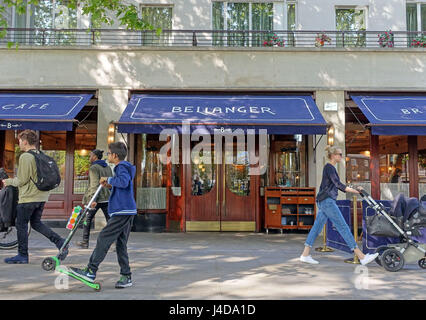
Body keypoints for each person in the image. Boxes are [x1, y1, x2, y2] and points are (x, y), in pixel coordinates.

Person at [69, 142, 136, 288]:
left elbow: (124, 182)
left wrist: (109, 179)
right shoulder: (124, 166)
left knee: (103, 237)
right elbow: (124, 185)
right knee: (120, 243)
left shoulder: (121, 166)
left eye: (109, 153)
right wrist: (110, 185)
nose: (107, 156)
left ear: (115, 155)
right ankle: (126, 276)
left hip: (121, 211)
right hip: (127, 210)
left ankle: (91, 271)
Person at [299, 146, 379, 265]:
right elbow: (339, 185)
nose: (341, 156)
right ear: (333, 155)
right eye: (340, 154)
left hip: (323, 200)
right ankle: (361, 257)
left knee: (317, 227)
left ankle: (305, 254)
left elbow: (337, 185)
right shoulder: (329, 167)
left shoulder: (330, 168)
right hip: (327, 201)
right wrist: (358, 191)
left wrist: (355, 189)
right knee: (343, 227)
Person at [3, 130, 68, 264]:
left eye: (20, 141)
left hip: (28, 198)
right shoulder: (40, 154)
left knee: (21, 225)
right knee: (36, 223)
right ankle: (60, 242)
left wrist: (7, 181)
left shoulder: (26, 157)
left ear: (25, 142)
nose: (19, 143)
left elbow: (21, 180)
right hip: (41, 196)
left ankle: (22, 255)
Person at [76, 149, 113, 249]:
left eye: (90, 155)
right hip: (107, 198)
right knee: (110, 221)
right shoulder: (108, 167)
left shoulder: (94, 168)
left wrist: (93, 199)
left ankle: (85, 241)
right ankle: (115, 243)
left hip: (96, 199)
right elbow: (111, 182)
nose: (89, 158)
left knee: (87, 219)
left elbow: (94, 185)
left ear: (95, 157)